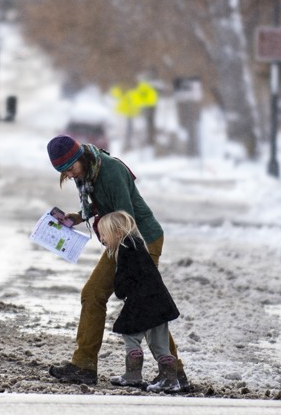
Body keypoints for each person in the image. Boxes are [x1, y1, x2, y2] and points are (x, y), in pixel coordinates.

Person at [45, 134, 188, 390]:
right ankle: (84, 365)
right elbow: (103, 206)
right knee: (97, 295)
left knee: (146, 303)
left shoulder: (110, 171)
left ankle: (174, 372)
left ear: (81, 158)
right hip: (120, 240)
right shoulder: (89, 175)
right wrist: (78, 217)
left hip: (138, 240)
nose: (68, 175)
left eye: (70, 169)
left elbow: (125, 219)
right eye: (63, 172)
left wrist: (104, 229)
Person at [97, 210, 181, 393]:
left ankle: (133, 375)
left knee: (130, 334)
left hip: (140, 302)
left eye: (104, 234)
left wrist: (119, 290)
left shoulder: (126, 249)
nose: (102, 239)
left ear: (118, 233)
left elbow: (124, 279)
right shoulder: (138, 245)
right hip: (159, 301)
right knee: (160, 343)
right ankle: (170, 380)